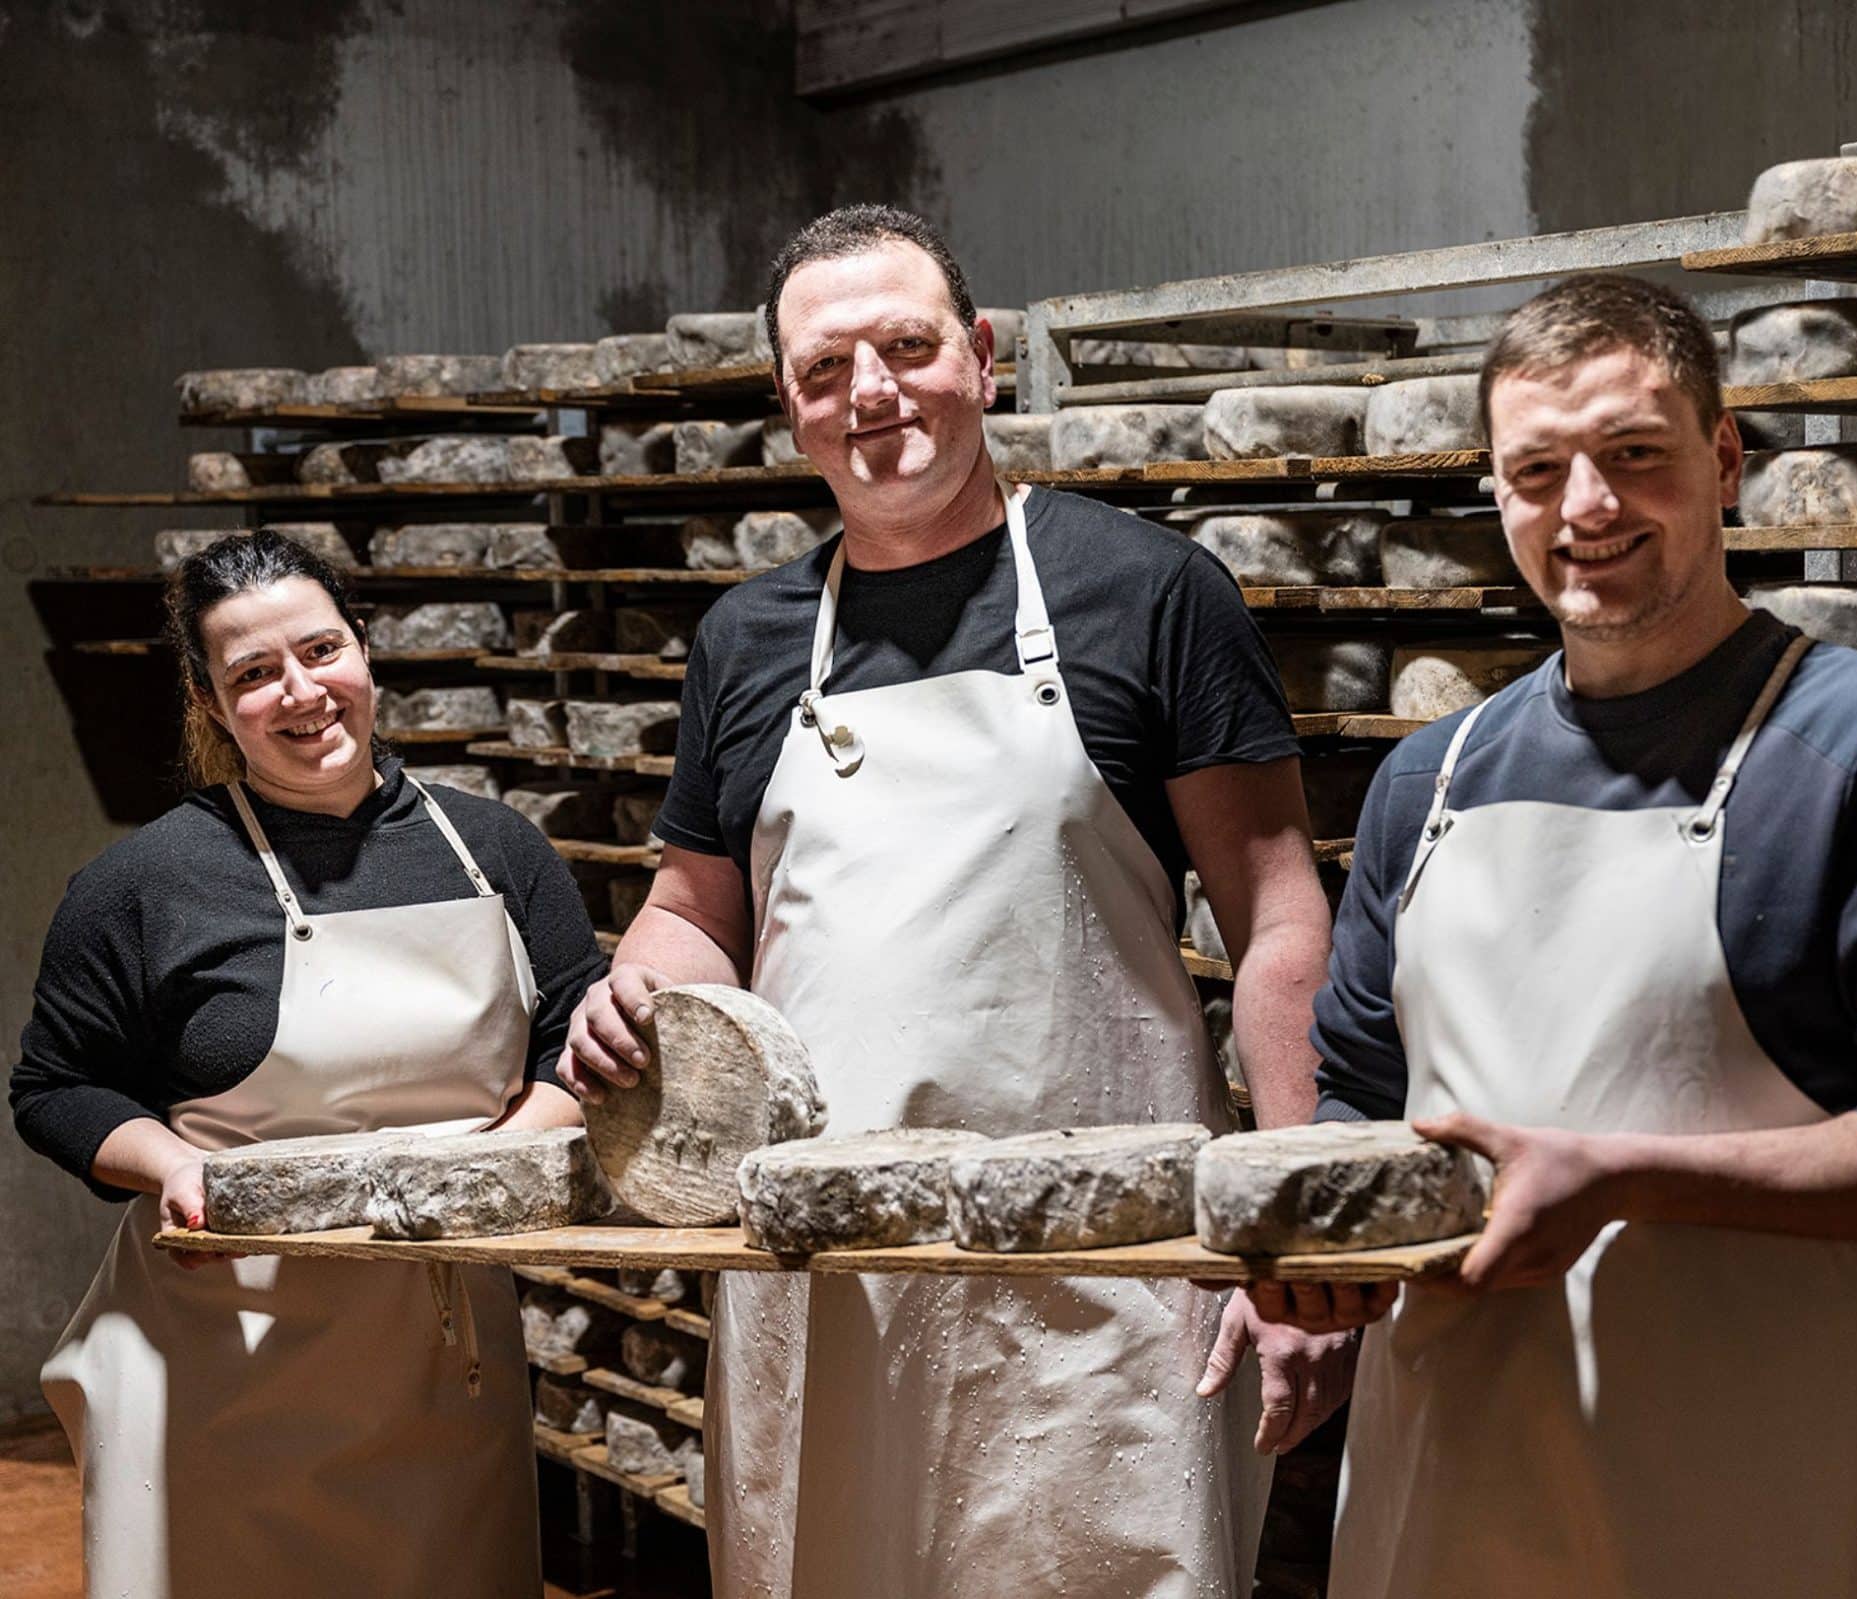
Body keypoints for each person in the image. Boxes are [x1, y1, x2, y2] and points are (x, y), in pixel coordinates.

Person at [561, 204, 1351, 1597]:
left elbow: (1279, 919)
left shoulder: (1148, 591)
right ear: (789, 407)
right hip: (827, 1275)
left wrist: (1299, 1229)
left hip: (1101, 1269)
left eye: (907, 346)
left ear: (982, 357)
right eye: (825, 370)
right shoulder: (747, 642)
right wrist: (638, 982)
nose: (871, 393)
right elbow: (700, 902)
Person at [1280, 274, 1857, 1599]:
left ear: (1725, 459)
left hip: (1727, 1518)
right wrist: (1307, 1270)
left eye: (1634, 455)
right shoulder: (1431, 779)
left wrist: (1625, 1178)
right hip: (1432, 1508)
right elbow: (1358, 1089)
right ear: (1500, 494)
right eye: (1539, 469)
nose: (1587, 507)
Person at [12, 530, 606, 1599]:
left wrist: (490, 1170)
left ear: (365, 651)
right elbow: (56, 1087)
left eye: (320, 652)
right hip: (216, 1364)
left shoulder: (498, 851)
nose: (301, 693)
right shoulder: (144, 885)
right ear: (206, 702)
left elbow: (580, 1043)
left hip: (442, 1356)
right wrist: (169, 1166)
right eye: (252, 674)